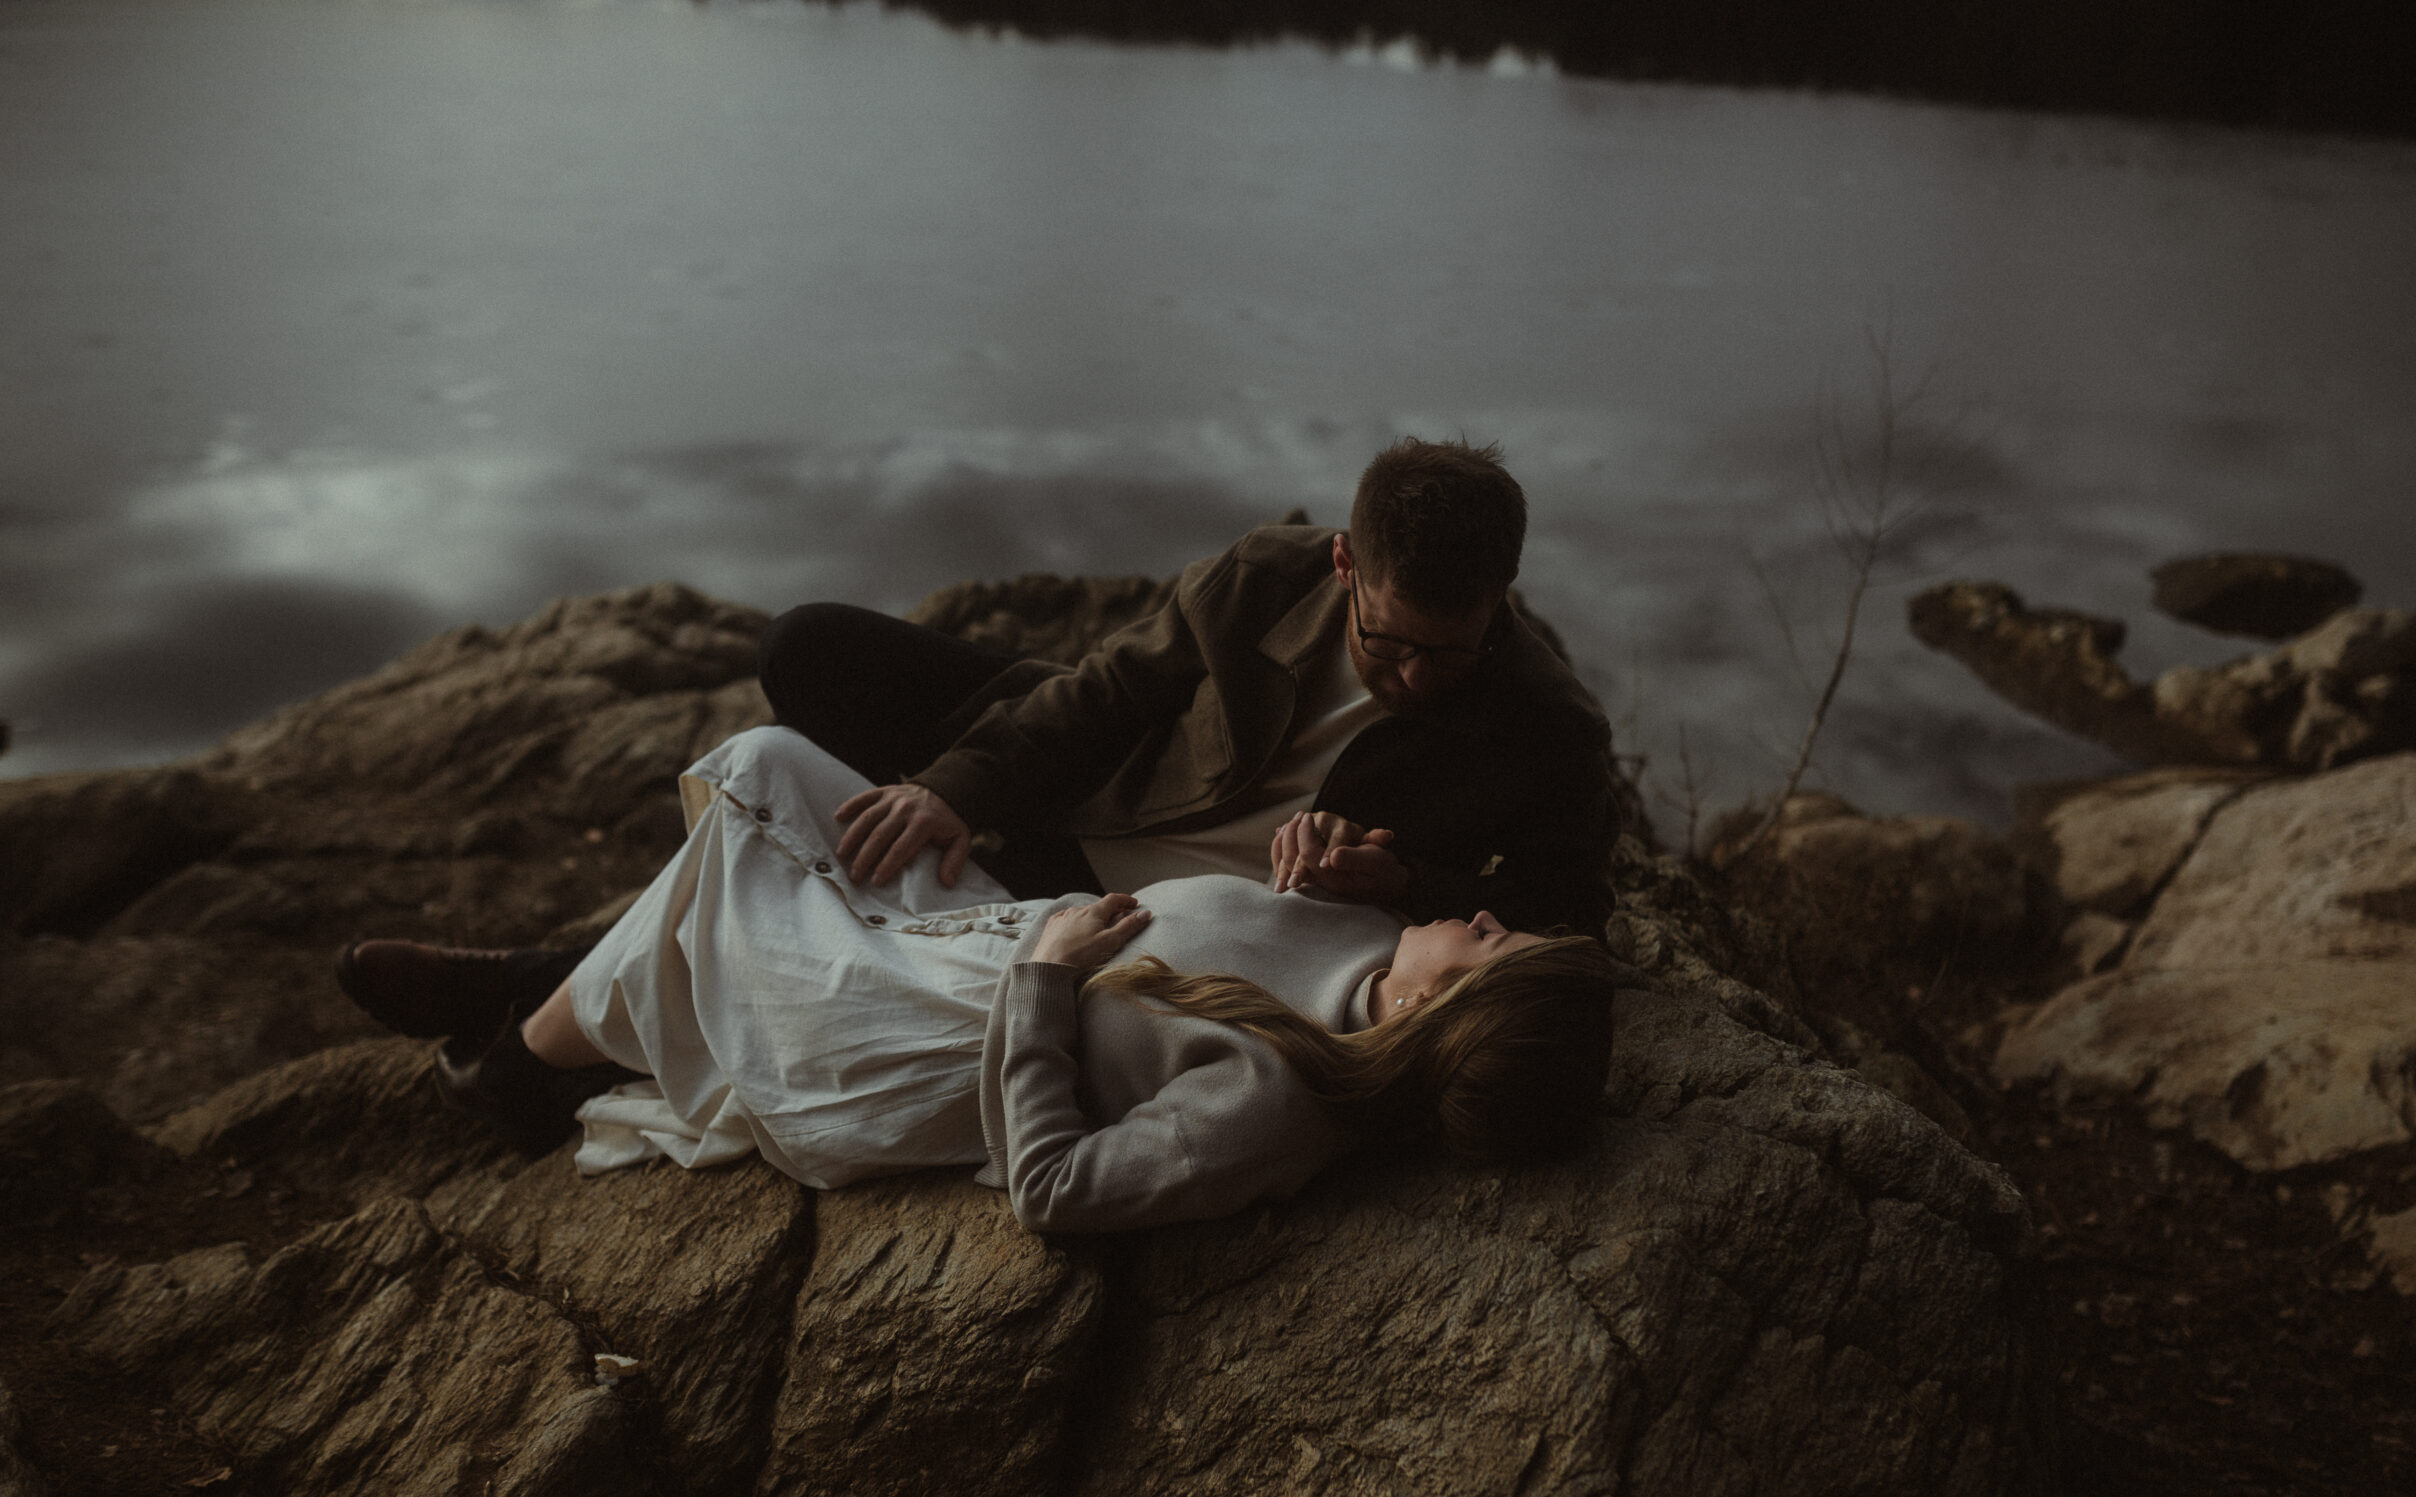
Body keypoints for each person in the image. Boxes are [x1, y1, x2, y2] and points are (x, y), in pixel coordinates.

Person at [348, 725, 1616, 1234]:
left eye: (1493, 945)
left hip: (928, 1030)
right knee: (776, 760)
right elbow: (1235, 943)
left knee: (738, 824)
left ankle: (517, 1038)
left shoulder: (1275, 1111)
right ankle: (521, 1026)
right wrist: (1335, 885)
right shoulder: (1375, 938)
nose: (1489, 913)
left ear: (1433, 1011)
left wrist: (1050, 987)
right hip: (986, 928)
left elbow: (1057, 1191)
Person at [755, 437, 1619, 938]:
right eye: (1386, 644)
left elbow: (1572, 907)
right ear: (1344, 564)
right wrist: (955, 785)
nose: (1416, 677)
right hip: (1115, 791)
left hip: (1172, 916)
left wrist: (1406, 883)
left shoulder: (1550, 726)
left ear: (1500, 593)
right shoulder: (1272, 572)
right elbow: (1114, 687)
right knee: (809, 646)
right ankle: (949, 845)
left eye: (1451, 654)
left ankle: (954, 880)